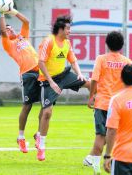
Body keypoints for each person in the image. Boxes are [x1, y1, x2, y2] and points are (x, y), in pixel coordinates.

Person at [0, 0, 42, 153]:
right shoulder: (8, 44)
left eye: (10, 28)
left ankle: (39, 134)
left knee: (46, 105)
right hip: (27, 74)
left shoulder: (23, 37)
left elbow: (26, 22)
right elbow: (2, 32)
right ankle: (21, 137)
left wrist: (11, 11)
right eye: (7, 30)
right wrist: (1, 14)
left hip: (41, 72)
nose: (10, 30)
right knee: (27, 106)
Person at [37, 15, 91, 161]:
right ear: (60, 29)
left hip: (64, 76)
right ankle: (41, 145)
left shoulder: (67, 42)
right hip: (48, 81)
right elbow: (41, 62)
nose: (70, 31)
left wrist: (79, 74)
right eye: (68, 28)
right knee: (47, 112)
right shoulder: (48, 41)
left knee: (91, 83)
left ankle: (95, 104)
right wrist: (52, 82)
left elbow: (73, 60)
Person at [83, 31, 131, 174]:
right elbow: (130, 83)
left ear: (107, 44)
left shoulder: (101, 59)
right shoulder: (127, 62)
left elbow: (94, 79)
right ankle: (109, 163)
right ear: (122, 45)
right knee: (114, 135)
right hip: (119, 105)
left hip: (102, 103)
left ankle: (96, 167)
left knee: (100, 135)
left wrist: (91, 96)